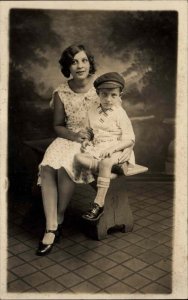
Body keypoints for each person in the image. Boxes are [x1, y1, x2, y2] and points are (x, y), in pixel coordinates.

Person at [36, 44, 132, 256]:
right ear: (67, 67)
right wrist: (73, 136)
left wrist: (125, 146)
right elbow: (58, 125)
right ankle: (51, 225)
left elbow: (119, 120)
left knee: (64, 166)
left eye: (84, 60)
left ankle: (58, 218)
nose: (79, 66)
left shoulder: (101, 88)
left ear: (90, 63)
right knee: (47, 167)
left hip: (95, 143)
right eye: (73, 61)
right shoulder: (61, 92)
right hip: (68, 137)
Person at [74, 72, 135, 221]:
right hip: (99, 149)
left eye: (113, 95)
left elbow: (130, 139)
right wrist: (87, 139)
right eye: (104, 94)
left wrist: (112, 149)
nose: (108, 99)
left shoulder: (120, 113)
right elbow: (89, 130)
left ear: (120, 95)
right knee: (78, 157)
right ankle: (108, 167)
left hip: (118, 148)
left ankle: (98, 204)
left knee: (106, 162)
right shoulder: (92, 111)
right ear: (98, 94)